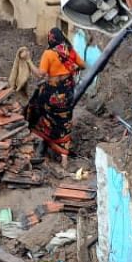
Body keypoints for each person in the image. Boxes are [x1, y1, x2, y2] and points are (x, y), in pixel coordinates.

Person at [25, 27, 86, 167]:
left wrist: (28, 61)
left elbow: (40, 74)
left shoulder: (48, 54)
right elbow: (83, 65)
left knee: (37, 110)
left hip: (52, 93)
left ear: (50, 39)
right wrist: (71, 71)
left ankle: (41, 143)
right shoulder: (69, 50)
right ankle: (64, 156)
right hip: (68, 92)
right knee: (64, 121)